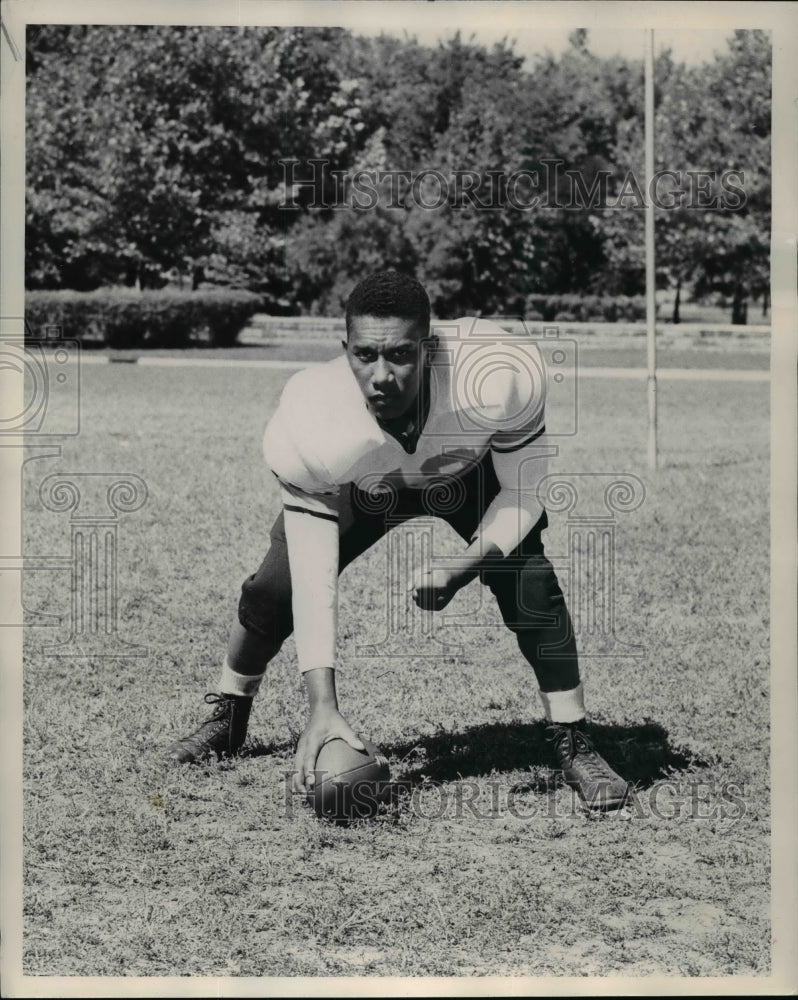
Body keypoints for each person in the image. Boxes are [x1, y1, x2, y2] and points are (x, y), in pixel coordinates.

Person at [167, 270, 630, 810]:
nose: (381, 376)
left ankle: (572, 734)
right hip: (362, 485)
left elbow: (525, 492)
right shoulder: (311, 413)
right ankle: (230, 712)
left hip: (467, 477)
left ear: (429, 348)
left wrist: (464, 566)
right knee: (275, 588)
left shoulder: (499, 371)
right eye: (364, 356)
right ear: (345, 350)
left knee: (531, 581)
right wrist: (323, 705)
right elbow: (314, 578)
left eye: (400, 356)